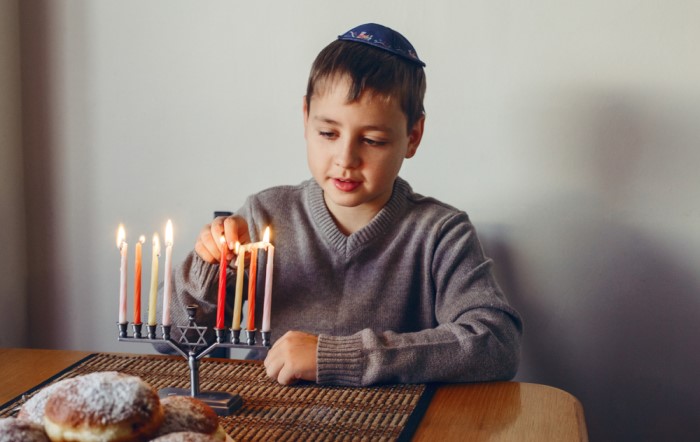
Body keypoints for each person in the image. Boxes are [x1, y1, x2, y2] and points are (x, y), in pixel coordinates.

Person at [163, 23, 522, 387]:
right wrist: (209, 269)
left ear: (413, 137)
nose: (345, 158)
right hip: (268, 419)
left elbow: (496, 343)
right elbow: (171, 341)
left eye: (372, 140)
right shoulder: (263, 215)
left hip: (392, 426)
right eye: (328, 134)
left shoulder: (440, 233)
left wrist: (336, 357)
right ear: (305, 119)